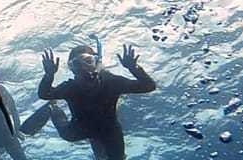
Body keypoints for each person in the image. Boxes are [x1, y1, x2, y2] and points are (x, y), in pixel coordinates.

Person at [19, 41, 156, 160]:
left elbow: (148, 86)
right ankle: (53, 109)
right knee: (67, 135)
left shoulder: (111, 82)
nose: (84, 68)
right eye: (77, 64)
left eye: (88, 61)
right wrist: (49, 75)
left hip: (109, 130)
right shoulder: (71, 87)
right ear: (72, 69)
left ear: (96, 63)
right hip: (81, 128)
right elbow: (45, 94)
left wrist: (134, 68)